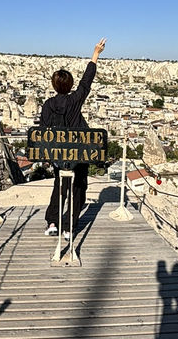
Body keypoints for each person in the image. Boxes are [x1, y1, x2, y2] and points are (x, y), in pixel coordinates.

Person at [42, 38, 106, 238]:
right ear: (70, 85)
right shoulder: (75, 100)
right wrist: (95, 54)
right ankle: (69, 227)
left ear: (54, 85)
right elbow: (86, 82)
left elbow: (43, 130)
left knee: (58, 185)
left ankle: (53, 222)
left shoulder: (48, 105)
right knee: (77, 187)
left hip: (57, 154)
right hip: (78, 153)